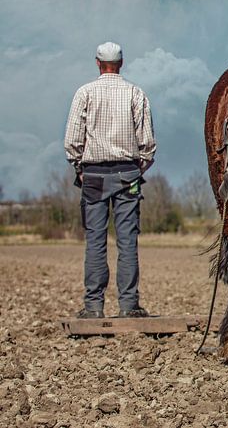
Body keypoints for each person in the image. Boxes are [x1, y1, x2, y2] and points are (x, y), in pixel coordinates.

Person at [64, 42, 156, 319]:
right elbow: (148, 144)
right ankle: (129, 306)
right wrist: (137, 169)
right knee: (127, 241)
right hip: (128, 174)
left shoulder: (85, 93)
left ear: (97, 63)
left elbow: (71, 141)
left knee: (95, 240)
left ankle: (93, 307)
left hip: (93, 176)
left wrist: (80, 167)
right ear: (121, 63)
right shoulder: (135, 93)